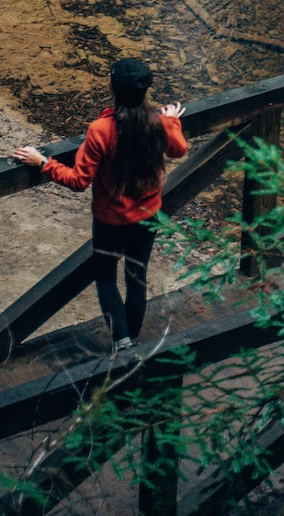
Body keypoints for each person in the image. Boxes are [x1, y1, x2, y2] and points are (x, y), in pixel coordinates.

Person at [15, 57, 186, 351]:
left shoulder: (100, 129)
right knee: (136, 277)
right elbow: (179, 149)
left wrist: (43, 162)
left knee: (105, 277)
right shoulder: (157, 123)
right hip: (148, 216)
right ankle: (129, 342)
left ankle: (122, 341)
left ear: (113, 88)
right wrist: (171, 119)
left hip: (111, 220)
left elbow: (78, 180)